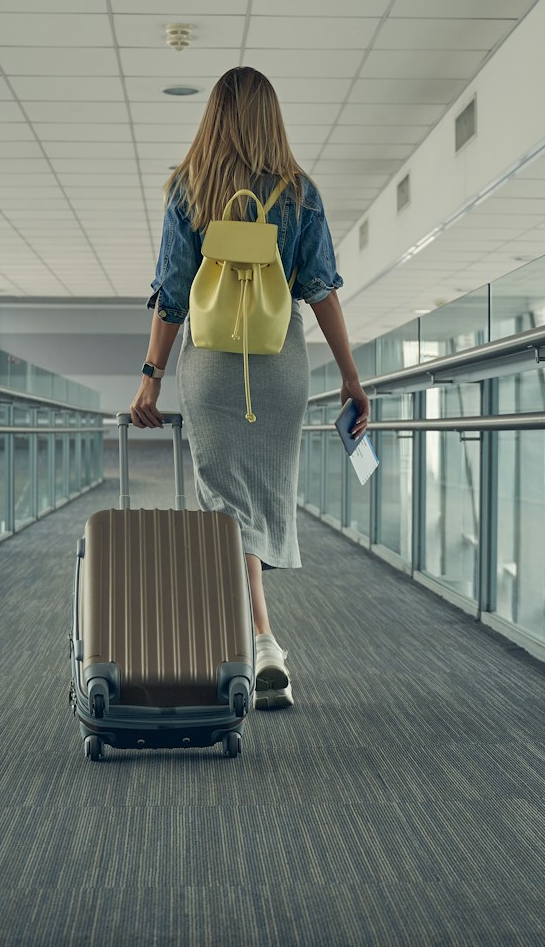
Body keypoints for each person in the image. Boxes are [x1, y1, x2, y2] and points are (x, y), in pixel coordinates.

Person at [130, 66, 369, 712]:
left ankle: (262, 639)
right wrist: (349, 377)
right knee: (256, 503)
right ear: (272, 116)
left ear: (212, 115)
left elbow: (173, 296)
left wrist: (150, 380)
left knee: (224, 507)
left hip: (211, 365)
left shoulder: (189, 189)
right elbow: (320, 291)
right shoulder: (300, 193)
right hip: (278, 364)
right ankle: (262, 639)